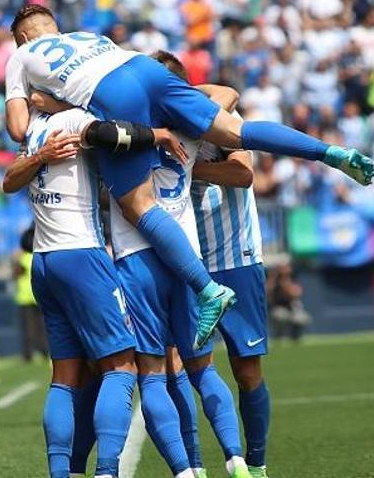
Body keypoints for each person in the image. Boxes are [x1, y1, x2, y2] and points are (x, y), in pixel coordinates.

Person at [4, 4, 374, 348]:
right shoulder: (85, 37)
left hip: (114, 93)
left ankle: (207, 290)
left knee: (138, 205)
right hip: (143, 67)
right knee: (234, 133)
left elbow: (19, 128)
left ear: (22, 38)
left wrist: (38, 101)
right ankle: (331, 153)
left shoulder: (21, 55)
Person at [2, 106, 184, 478]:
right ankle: (106, 471)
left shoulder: (34, 129)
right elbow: (109, 135)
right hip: (81, 253)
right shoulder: (71, 118)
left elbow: (8, 182)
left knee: (65, 375)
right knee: (121, 366)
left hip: (43, 260)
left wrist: (39, 156)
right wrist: (157, 134)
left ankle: (61, 472)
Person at [103, 52, 251, 478]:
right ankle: (236, 458)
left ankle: (187, 471)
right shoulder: (190, 127)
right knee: (201, 367)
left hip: (137, 258)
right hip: (187, 257)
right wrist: (185, 94)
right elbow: (228, 94)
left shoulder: (123, 128)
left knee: (152, 375)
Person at [154, 51, 272, 478]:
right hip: (186, 262)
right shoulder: (157, 131)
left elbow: (243, 174)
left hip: (235, 255)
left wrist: (191, 168)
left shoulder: (215, 119)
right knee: (179, 366)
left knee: (246, 369)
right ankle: (197, 465)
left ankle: (254, 465)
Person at [14, 227, 48, 362]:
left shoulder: (23, 259)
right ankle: (44, 351)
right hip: (38, 296)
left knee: (28, 328)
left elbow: (16, 274)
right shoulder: (38, 257)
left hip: (25, 297)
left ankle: (28, 354)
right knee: (42, 326)